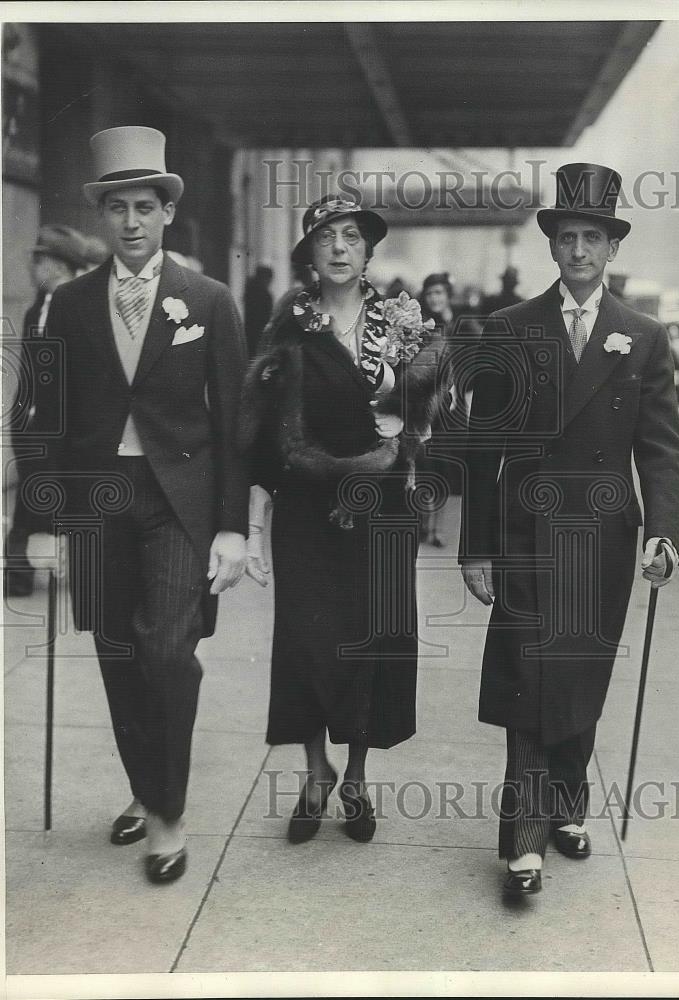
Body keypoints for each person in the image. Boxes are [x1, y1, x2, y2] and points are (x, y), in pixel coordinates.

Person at [459, 162, 679, 898]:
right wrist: (477, 546)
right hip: (526, 532)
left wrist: (664, 530)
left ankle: (565, 808)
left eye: (593, 237)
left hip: (606, 536)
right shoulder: (510, 329)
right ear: (551, 244)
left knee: (582, 672)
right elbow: (482, 447)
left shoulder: (643, 337)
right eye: (568, 236)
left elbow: (660, 446)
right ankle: (524, 843)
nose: (580, 250)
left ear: (611, 248)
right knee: (528, 677)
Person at [43, 126, 249, 884]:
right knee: (119, 657)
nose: (131, 221)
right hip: (98, 503)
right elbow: (45, 418)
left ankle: (168, 814)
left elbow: (235, 423)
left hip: (178, 503)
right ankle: (144, 785)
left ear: (167, 213)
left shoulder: (208, 300)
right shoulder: (65, 303)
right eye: (118, 208)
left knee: (167, 652)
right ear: (104, 217)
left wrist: (233, 526)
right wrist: (41, 524)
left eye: (145, 206)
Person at [241, 195, 441, 844]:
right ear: (309, 250)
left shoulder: (400, 321)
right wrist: (254, 511)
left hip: (380, 507)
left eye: (350, 236)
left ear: (367, 250)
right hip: (306, 504)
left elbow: (424, 413)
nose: (338, 247)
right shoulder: (289, 323)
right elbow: (262, 421)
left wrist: (412, 437)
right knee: (305, 640)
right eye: (325, 236)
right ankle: (316, 770)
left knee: (372, 640)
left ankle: (354, 777)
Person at [4, 225, 87, 598]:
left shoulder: (84, 306)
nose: (34, 267)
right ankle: (19, 576)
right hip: (35, 427)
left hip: (69, 428)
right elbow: (29, 370)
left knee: (66, 499)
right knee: (31, 499)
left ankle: (67, 571)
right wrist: (20, 419)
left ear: (56, 264)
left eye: (39, 260)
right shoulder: (37, 308)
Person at [417, 272, 456, 545]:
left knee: (444, 466)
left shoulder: (461, 326)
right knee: (423, 465)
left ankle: (437, 529)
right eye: (430, 293)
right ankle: (422, 524)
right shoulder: (421, 327)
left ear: (447, 295)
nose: (434, 298)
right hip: (425, 402)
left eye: (439, 293)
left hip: (452, 407)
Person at [243, 263, 274, 357]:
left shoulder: (250, 291)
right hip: (260, 331)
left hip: (250, 330)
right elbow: (266, 315)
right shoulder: (264, 295)